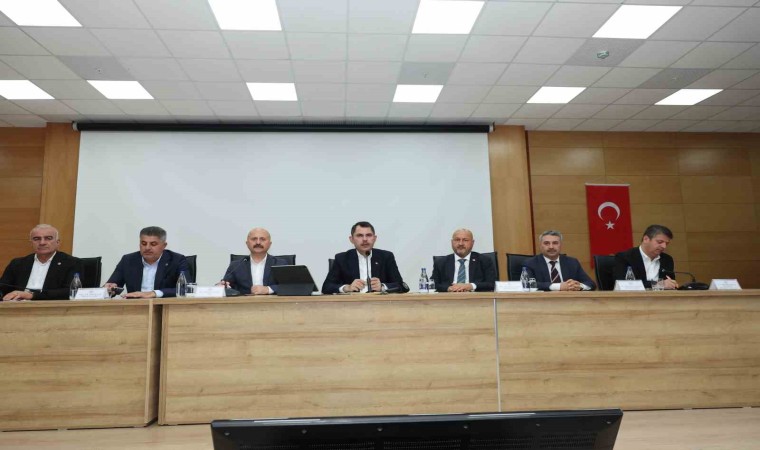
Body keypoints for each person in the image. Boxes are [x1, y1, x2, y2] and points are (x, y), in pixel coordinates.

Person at [1, 224, 83, 301]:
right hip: (16, 306)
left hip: (50, 307)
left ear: (57, 242)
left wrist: (32, 295)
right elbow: (2, 288)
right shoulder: (17, 264)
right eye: (37, 239)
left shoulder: (72, 263)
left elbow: (71, 291)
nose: (42, 243)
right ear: (31, 243)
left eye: (48, 238)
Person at [104, 226, 190, 298]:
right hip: (135, 308)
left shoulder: (177, 260)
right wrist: (109, 289)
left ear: (164, 245)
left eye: (153, 244)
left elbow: (186, 288)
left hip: (165, 307)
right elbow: (112, 286)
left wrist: (154, 293)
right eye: (144, 243)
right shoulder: (128, 260)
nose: (147, 248)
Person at [322, 221, 405, 294]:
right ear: (351, 239)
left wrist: (382, 287)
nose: (365, 239)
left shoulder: (386, 257)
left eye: (368, 235)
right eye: (359, 235)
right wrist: (347, 288)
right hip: (352, 304)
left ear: (374, 238)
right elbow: (326, 287)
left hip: (379, 304)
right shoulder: (342, 258)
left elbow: (401, 286)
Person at [219, 228, 289, 295]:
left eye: (262, 239)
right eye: (254, 239)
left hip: (273, 303)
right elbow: (227, 285)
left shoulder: (280, 264)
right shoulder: (236, 265)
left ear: (269, 244)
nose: (258, 242)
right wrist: (223, 286)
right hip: (244, 303)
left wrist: (268, 289)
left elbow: (289, 286)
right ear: (247, 243)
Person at [522, 230, 596, 291]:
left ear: (560, 245)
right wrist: (558, 286)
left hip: (570, 301)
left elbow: (591, 284)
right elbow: (527, 284)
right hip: (543, 302)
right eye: (546, 243)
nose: (551, 247)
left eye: (555, 243)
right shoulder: (530, 263)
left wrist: (579, 286)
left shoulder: (572, 262)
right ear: (541, 246)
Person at [430, 229, 496, 292]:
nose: (460, 243)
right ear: (452, 242)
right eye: (457, 240)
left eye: (465, 240)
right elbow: (433, 284)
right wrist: (448, 288)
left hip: (475, 298)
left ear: (472, 243)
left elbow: (492, 283)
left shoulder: (484, 260)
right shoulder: (441, 262)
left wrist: (471, 286)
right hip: (448, 297)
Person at [614, 224, 678, 289]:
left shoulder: (667, 259)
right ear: (646, 239)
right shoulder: (625, 257)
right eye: (660, 242)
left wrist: (672, 284)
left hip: (661, 296)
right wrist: (659, 284)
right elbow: (624, 284)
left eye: (666, 243)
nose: (664, 246)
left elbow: (670, 284)